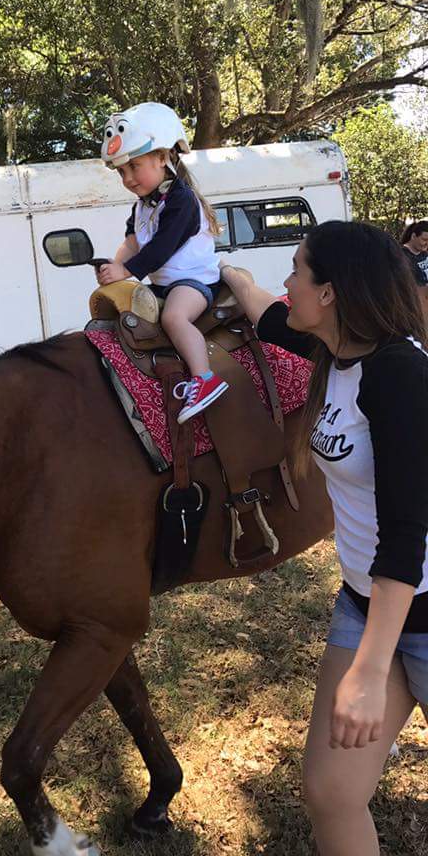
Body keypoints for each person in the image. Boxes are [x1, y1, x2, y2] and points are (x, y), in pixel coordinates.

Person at [221, 221, 428, 856]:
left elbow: (405, 536)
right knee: (331, 792)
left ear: (332, 293)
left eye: (296, 270)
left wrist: (368, 670)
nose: (288, 283)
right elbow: (268, 312)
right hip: (366, 603)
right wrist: (234, 278)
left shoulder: (399, 375)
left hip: (412, 601)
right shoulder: (333, 352)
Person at [98, 102, 227, 422]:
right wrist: (114, 272)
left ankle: (204, 378)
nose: (128, 178)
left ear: (162, 157)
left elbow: (162, 248)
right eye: (121, 171)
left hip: (194, 282)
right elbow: (132, 242)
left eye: (134, 166)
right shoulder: (143, 205)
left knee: (174, 318)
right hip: (163, 285)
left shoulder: (181, 199)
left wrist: (126, 271)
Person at [401, 220, 428, 286]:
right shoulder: (401, 256)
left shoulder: (425, 253)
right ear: (413, 236)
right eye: (424, 239)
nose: (427, 243)